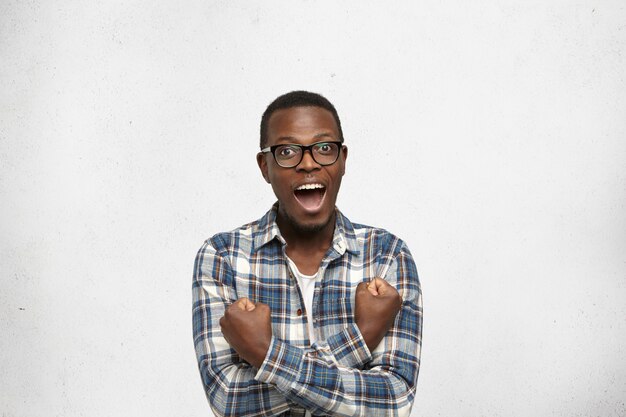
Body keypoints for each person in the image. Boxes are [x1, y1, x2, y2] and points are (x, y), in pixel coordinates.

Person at [192, 91, 423, 417]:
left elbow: (391, 402)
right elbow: (228, 400)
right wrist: (360, 339)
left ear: (343, 159)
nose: (309, 163)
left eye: (324, 148)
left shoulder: (386, 256)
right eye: (287, 151)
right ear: (265, 166)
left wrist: (263, 354)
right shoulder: (222, 257)